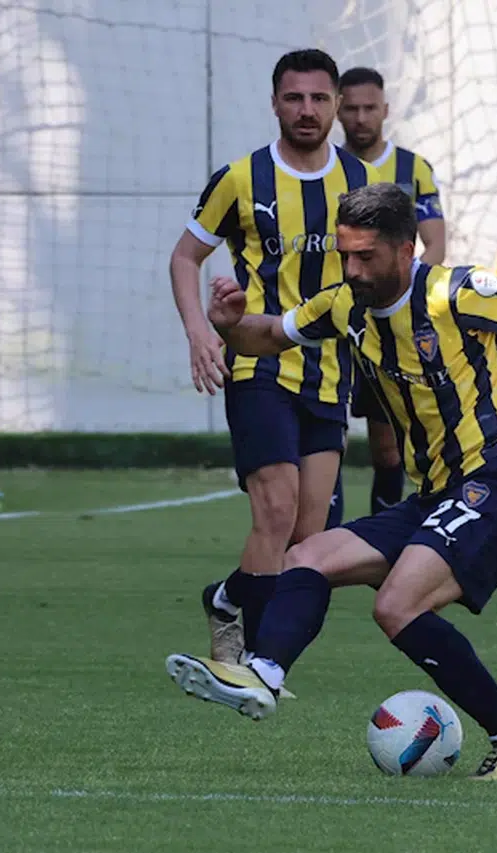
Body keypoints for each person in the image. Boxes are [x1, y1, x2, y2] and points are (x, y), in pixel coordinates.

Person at [165, 183, 497, 780]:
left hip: (493, 481)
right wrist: (230, 323)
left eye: (365, 257)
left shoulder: (456, 292)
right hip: (434, 495)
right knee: (306, 557)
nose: (352, 270)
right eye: (345, 255)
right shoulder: (344, 305)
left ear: (406, 250)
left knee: (396, 605)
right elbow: (267, 336)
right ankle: (263, 675)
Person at [167, 49, 374, 669]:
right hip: (256, 365)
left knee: (309, 540)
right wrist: (200, 332)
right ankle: (256, 667)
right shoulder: (241, 179)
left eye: (318, 98)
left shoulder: (362, 182)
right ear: (275, 104)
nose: (306, 110)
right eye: (294, 98)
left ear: (336, 104)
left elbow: (386, 271)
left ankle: (227, 600)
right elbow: (185, 256)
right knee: (276, 509)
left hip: (330, 374)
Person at [337, 66, 447, 518]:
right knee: (327, 439)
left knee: (387, 449)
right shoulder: (326, 167)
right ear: (338, 110)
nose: (361, 118)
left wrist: (406, 300)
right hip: (334, 320)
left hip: (387, 322)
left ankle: (383, 536)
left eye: (370, 108)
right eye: (352, 109)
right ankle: (320, 537)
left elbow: (435, 243)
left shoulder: (412, 169)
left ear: (385, 110)